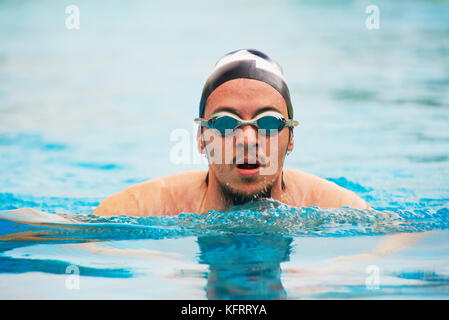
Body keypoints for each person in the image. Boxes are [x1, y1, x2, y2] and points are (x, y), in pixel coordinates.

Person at [93, 49, 369, 217]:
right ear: (201, 138)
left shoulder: (333, 206)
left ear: (291, 138)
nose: (247, 140)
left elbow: (402, 240)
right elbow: (64, 233)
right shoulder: (147, 206)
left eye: (269, 123)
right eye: (225, 123)